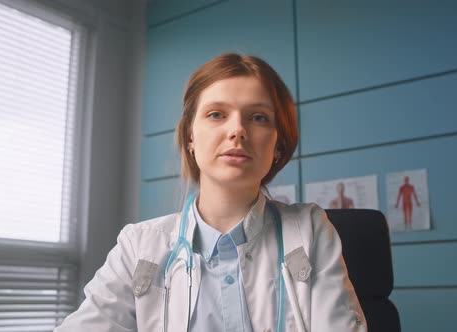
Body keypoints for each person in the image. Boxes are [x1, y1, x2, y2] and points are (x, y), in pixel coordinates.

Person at [54, 53, 366, 332]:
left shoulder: (309, 230)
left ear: (278, 145)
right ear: (190, 136)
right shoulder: (139, 246)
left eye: (258, 117)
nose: (237, 130)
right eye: (216, 114)